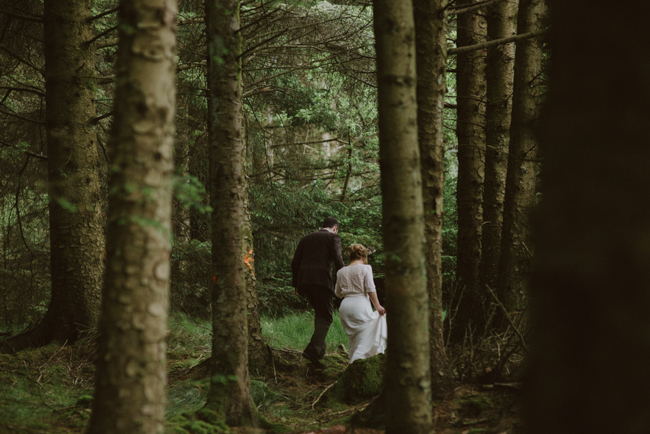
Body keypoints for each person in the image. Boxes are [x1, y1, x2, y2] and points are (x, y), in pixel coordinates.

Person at [291, 217, 345, 369]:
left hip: (305, 281)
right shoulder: (333, 237)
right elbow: (338, 260)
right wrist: (346, 278)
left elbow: (295, 262)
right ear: (335, 228)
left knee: (320, 313)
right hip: (321, 280)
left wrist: (296, 284)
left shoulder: (305, 238)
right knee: (327, 316)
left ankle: (319, 352)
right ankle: (312, 351)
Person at [335, 244, 387, 364]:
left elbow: (337, 293)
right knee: (364, 340)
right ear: (363, 256)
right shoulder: (365, 268)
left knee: (355, 341)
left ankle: (355, 365)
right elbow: (370, 288)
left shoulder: (341, 271)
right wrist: (378, 306)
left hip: (345, 306)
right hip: (360, 305)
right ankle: (354, 366)